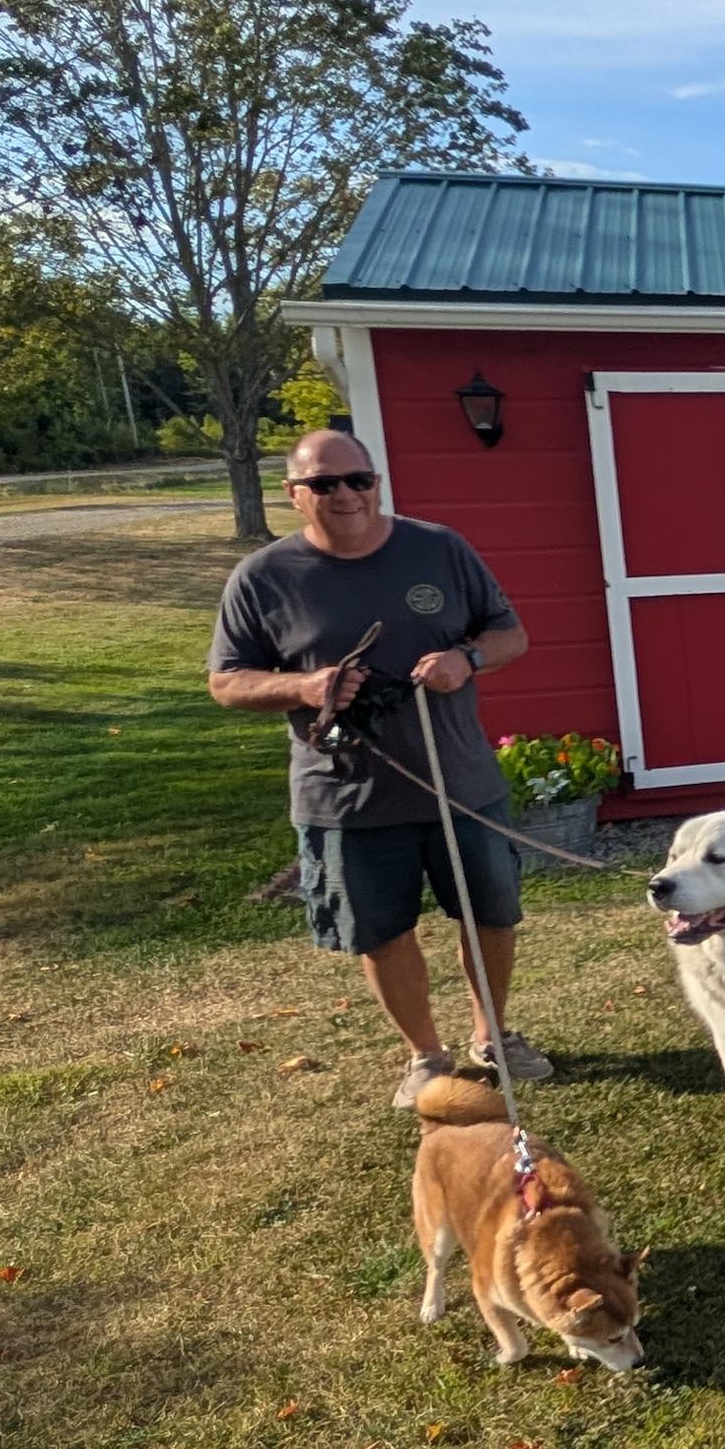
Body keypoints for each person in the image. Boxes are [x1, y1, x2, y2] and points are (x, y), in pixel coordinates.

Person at [207, 428, 553, 1107]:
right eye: (325, 484)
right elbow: (226, 682)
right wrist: (305, 688)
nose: (346, 495)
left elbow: (509, 633)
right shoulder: (263, 578)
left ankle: (494, 1034)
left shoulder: (440, 550)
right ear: (294, 494)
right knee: (382, 930)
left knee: (490, 914)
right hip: (345, 796)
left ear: (377, 483)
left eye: (358, 479)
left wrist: (468, 659)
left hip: (460, 782)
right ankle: (426, 1055)